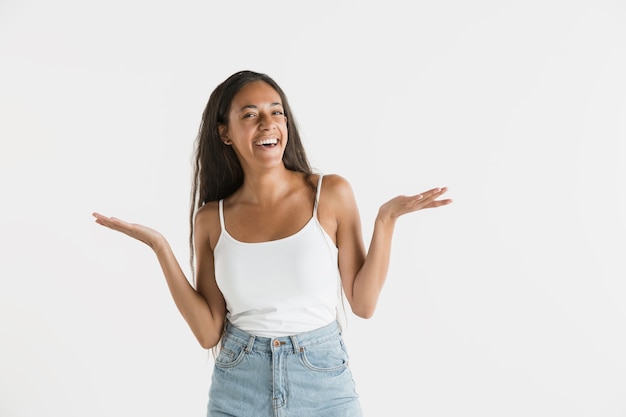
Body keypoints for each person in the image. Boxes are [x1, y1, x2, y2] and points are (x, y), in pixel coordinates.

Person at [92, 70, 452, 417]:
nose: (268, 123)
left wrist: (385, 220)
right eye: (250, 114)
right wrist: (160, 248)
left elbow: (364, 302)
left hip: (323, 386)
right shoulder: (210, 219)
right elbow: (207, 333)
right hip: (238, 387)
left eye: (276, 111)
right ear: (225, 133)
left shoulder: (330, 194)